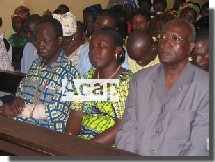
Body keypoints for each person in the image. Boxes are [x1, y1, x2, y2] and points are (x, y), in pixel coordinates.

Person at [115, 18, 209, 156]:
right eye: (163, 37)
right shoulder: (140, 80)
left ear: (190, 47)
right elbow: (128, 130)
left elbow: (198, 147)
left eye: (175, 38)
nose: (166, 43)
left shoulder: (205, 87)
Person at [0, 16, 79, 132]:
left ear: (60, 40)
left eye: (46, 41)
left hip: (44, 132)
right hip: (20, 125)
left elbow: (58, 112)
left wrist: (20, 111)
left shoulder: (69, 71)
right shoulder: (36, 64)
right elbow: (21, 90)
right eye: (38, 41)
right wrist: (16, 100)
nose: (40, 46)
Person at [65, 28, 133, 145]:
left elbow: (121, 126)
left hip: (108, 147)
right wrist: (70, 140)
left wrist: (87, 147)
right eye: (91, 47)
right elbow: (76, 114)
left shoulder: (126, 82)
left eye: (101, 46)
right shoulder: (85, 77)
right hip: (81, 143)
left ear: (117, 51)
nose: (94, 51)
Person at [77, 9, 129, 77]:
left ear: (115, 30)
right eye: (98, 25)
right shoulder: (84, 49)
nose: (100, 29)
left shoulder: (120, 53)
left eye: (106, 28)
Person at [8, 6, 30, 71]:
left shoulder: (28, 39)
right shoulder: (11, 37)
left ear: (24, 23)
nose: (15, 24)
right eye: (14, 22)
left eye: (18, 22)